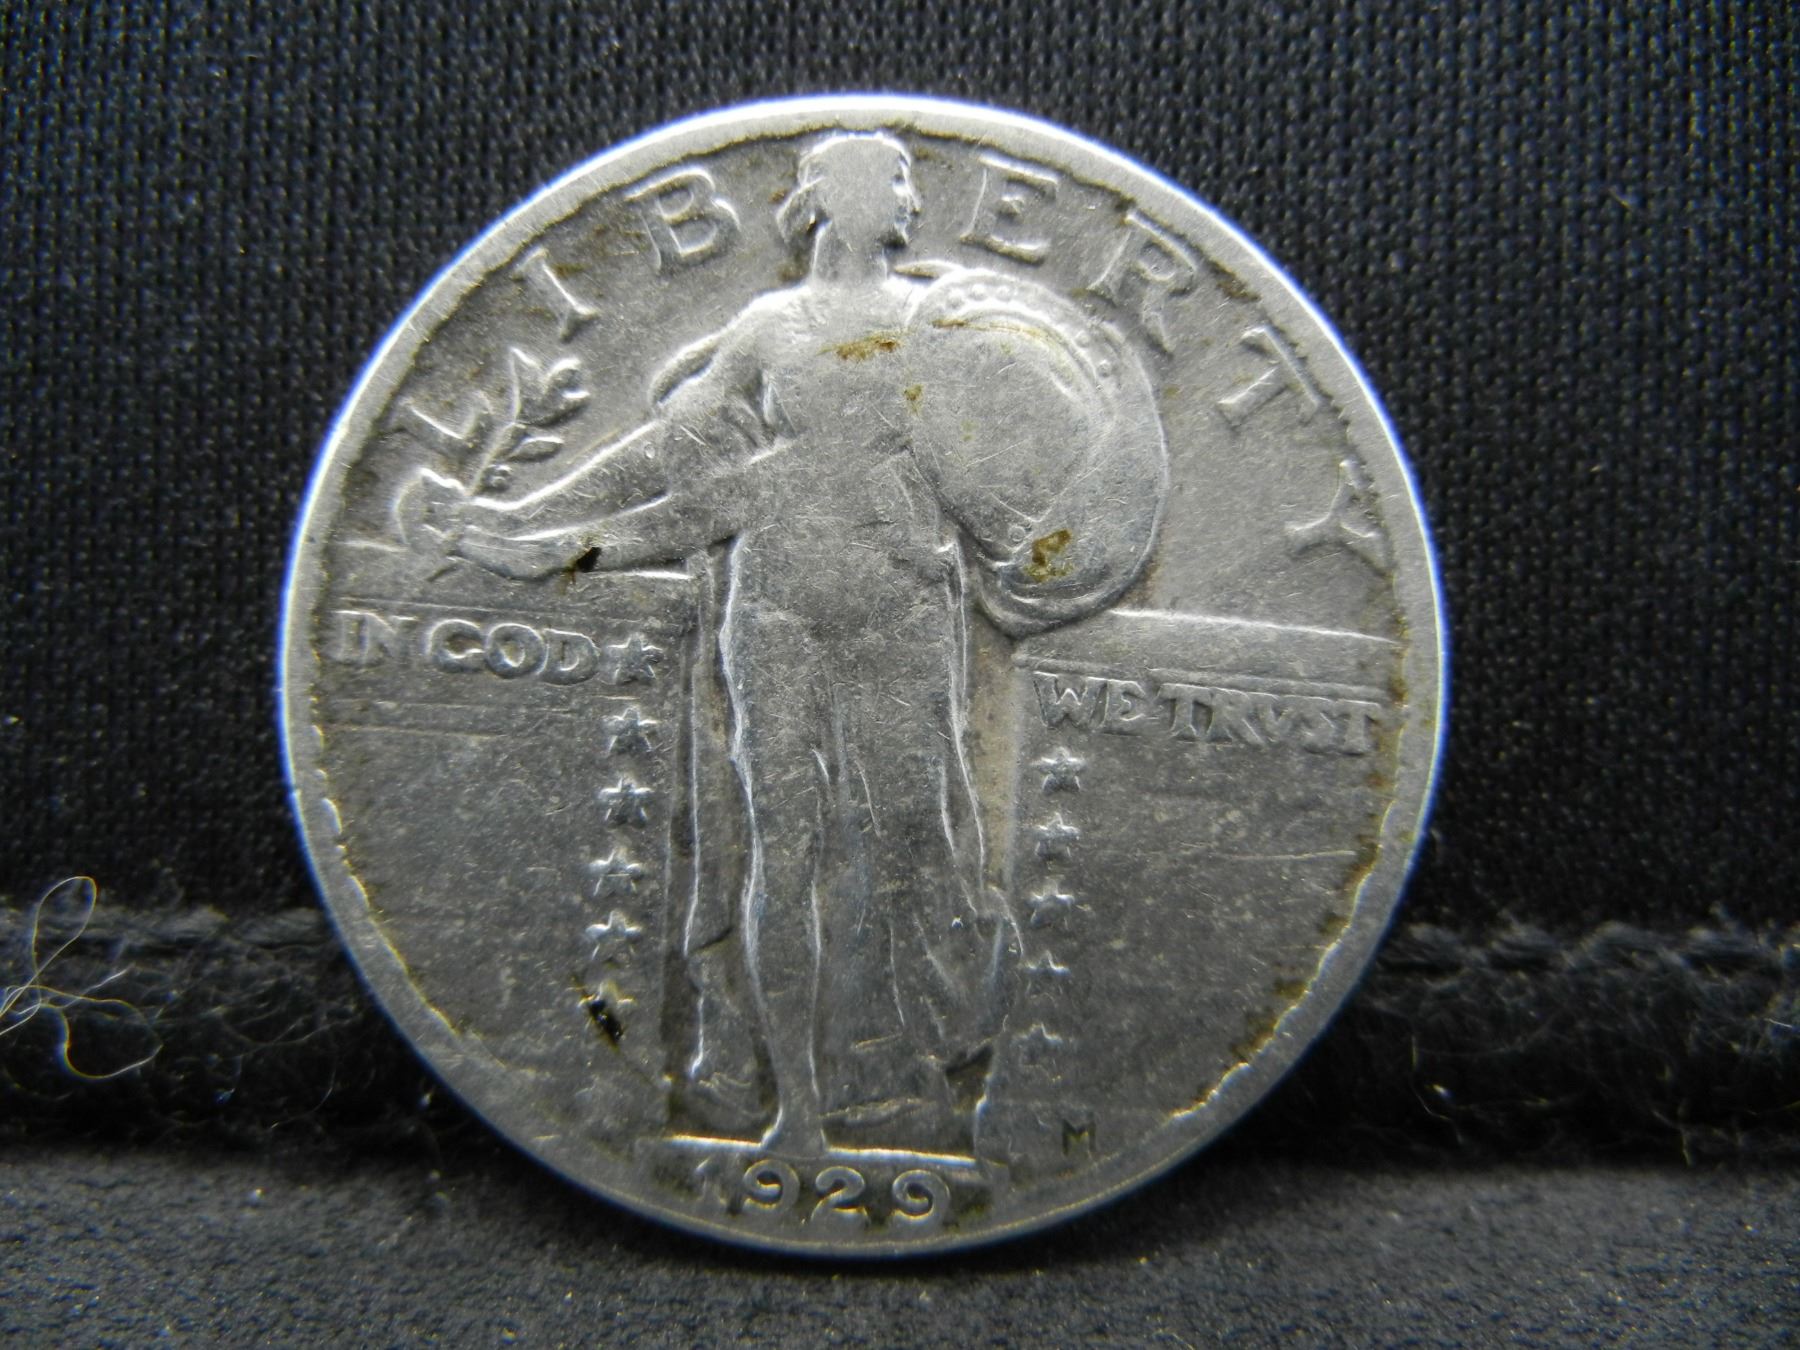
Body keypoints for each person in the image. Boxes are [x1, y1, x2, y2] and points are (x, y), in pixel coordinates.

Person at [401, 132, 1164, 1155]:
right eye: (892, 183)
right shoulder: (767, 325)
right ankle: (795, 1109)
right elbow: (665, 453)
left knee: (916, 838)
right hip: (775, 604)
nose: (909, 202)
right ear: (827, 199)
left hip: (902, 604)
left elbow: (998, 467)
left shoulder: (941, 323)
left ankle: (913, 1066)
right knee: (782, 848)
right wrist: (522, 517)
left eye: (909, 184)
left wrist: (1061, 536)